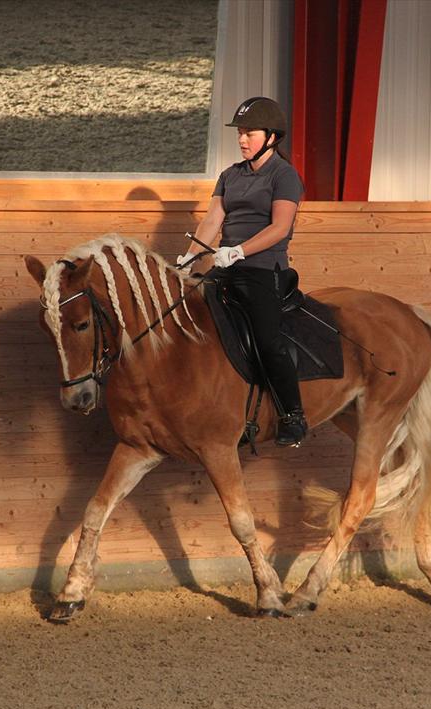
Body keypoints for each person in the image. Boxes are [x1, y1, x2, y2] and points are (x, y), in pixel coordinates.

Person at [180, 96, 307, 447]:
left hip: (263, 269)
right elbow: (211, 221)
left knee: (267, 340)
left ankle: (292, 415)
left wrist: (238, 251)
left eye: (249, 133)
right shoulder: (229, 176)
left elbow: (280, 228)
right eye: (240, 132)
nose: (241, 139)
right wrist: (188, 258)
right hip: (226, 266)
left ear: (271, 136)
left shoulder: (285, 177)